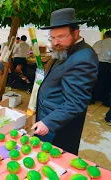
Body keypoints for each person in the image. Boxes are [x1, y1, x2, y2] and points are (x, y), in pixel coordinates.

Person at [32, 8, 99, 155]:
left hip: (58, 128)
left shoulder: (83, 58)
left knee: (54, 163)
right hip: (48, 117)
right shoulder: (66, 49)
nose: (55, 43)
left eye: (61, 37)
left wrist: (48, 122)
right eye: (52, 38)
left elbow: (76, 102)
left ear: (76, 33)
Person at [92, 31, 111, 106]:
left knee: (96, 81)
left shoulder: (100, 42)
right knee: (108, 82)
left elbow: (94, 53)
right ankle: (105, 100)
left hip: (100, 64)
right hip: (109, 65)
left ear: (104, 36)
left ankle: (93, 99)